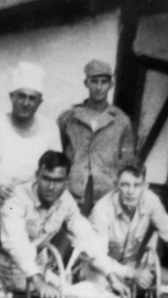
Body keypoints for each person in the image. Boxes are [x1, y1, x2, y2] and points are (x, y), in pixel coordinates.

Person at [0, 150, 130, 298]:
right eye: (46, 179)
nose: (51, 187)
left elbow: (87, 237)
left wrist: (111, 277)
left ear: (67, 182)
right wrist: (38, 281)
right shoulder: (14, 200)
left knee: (71, 294)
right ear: (37, 176)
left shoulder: (66, 201)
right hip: (2, 268)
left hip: (35, 272)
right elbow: (16, 243)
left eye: (58, 180)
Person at [0, 62, 62, 249]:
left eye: (32, 98)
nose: (26, 103)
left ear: (40, 101)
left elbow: (56, 170)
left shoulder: (49, 130)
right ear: (11, 96)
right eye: (21, 96)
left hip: (24, 215)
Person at [87, 159, 168, 290]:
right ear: (116, 185)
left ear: (145, 186)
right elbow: (97, 258)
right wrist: (132, 274)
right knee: (102, 289)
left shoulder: (151, 201)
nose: (130, 192)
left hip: (130, 266)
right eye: (125, 185)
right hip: (101, 270)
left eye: (136, 185)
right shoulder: (102, 210)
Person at [57, 59, 135, 216]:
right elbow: (58, 154)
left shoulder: (121, 121)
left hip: (105, 191)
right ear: (86, 83)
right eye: (94, 82)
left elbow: (127, 161)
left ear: (111, 85)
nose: (99, 87)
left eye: (104, 82)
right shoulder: (69, 118)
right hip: (72, 188)